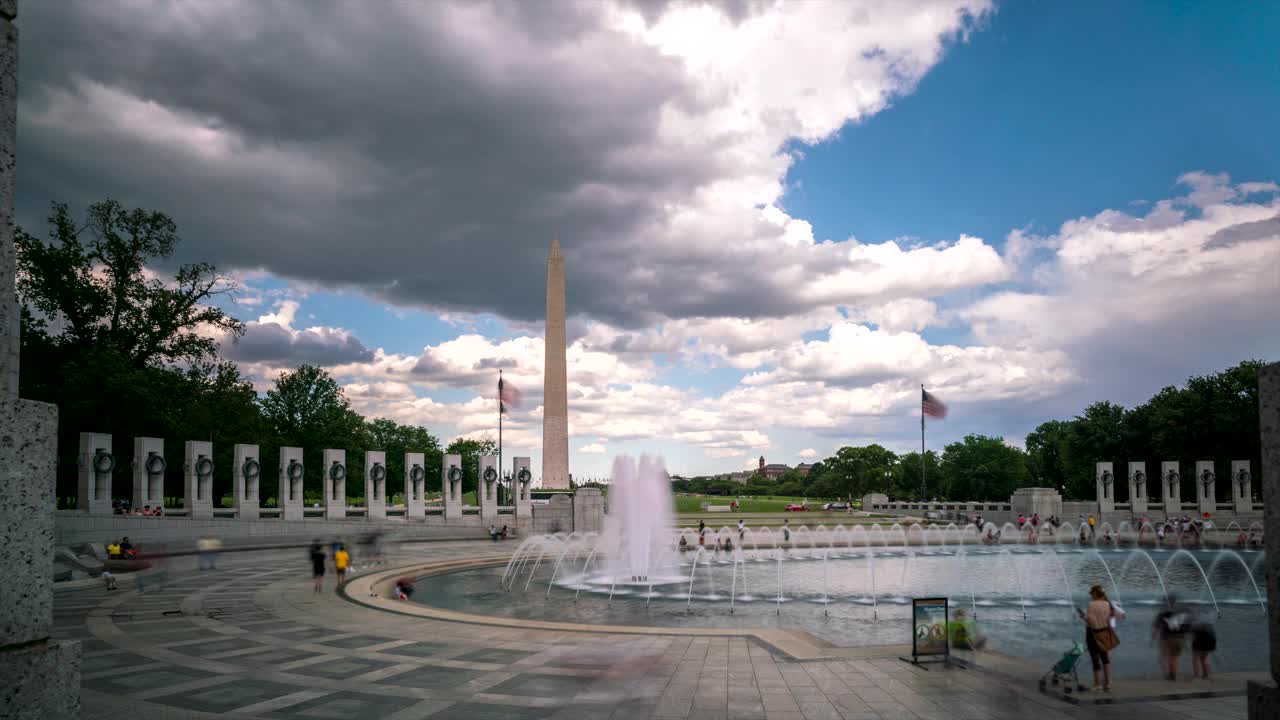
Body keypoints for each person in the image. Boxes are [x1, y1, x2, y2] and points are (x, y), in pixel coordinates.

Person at [1078, 585, 1118, 691]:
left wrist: (1083, 617)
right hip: (1104, 632)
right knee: (1105, 658)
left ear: (1095, 593)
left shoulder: (1092, 604)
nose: (1090, 595)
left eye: (1092, 593)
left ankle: (1097, 684)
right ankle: (1108, 683)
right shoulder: (1107, 604)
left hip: (1093, 634)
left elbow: (1091, 621)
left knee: (1095, 659)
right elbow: (1111, 620)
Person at [1153, 598, 1188, 680]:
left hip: (1168, 638)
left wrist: (1153, 638)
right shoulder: (1182, 614)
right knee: (1174, 658)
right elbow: (1187, 627)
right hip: (1180, 639)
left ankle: (1171, 675)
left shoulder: (1162, 614)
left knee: (1168, 657)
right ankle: (1172, 673)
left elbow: (1156, 627)